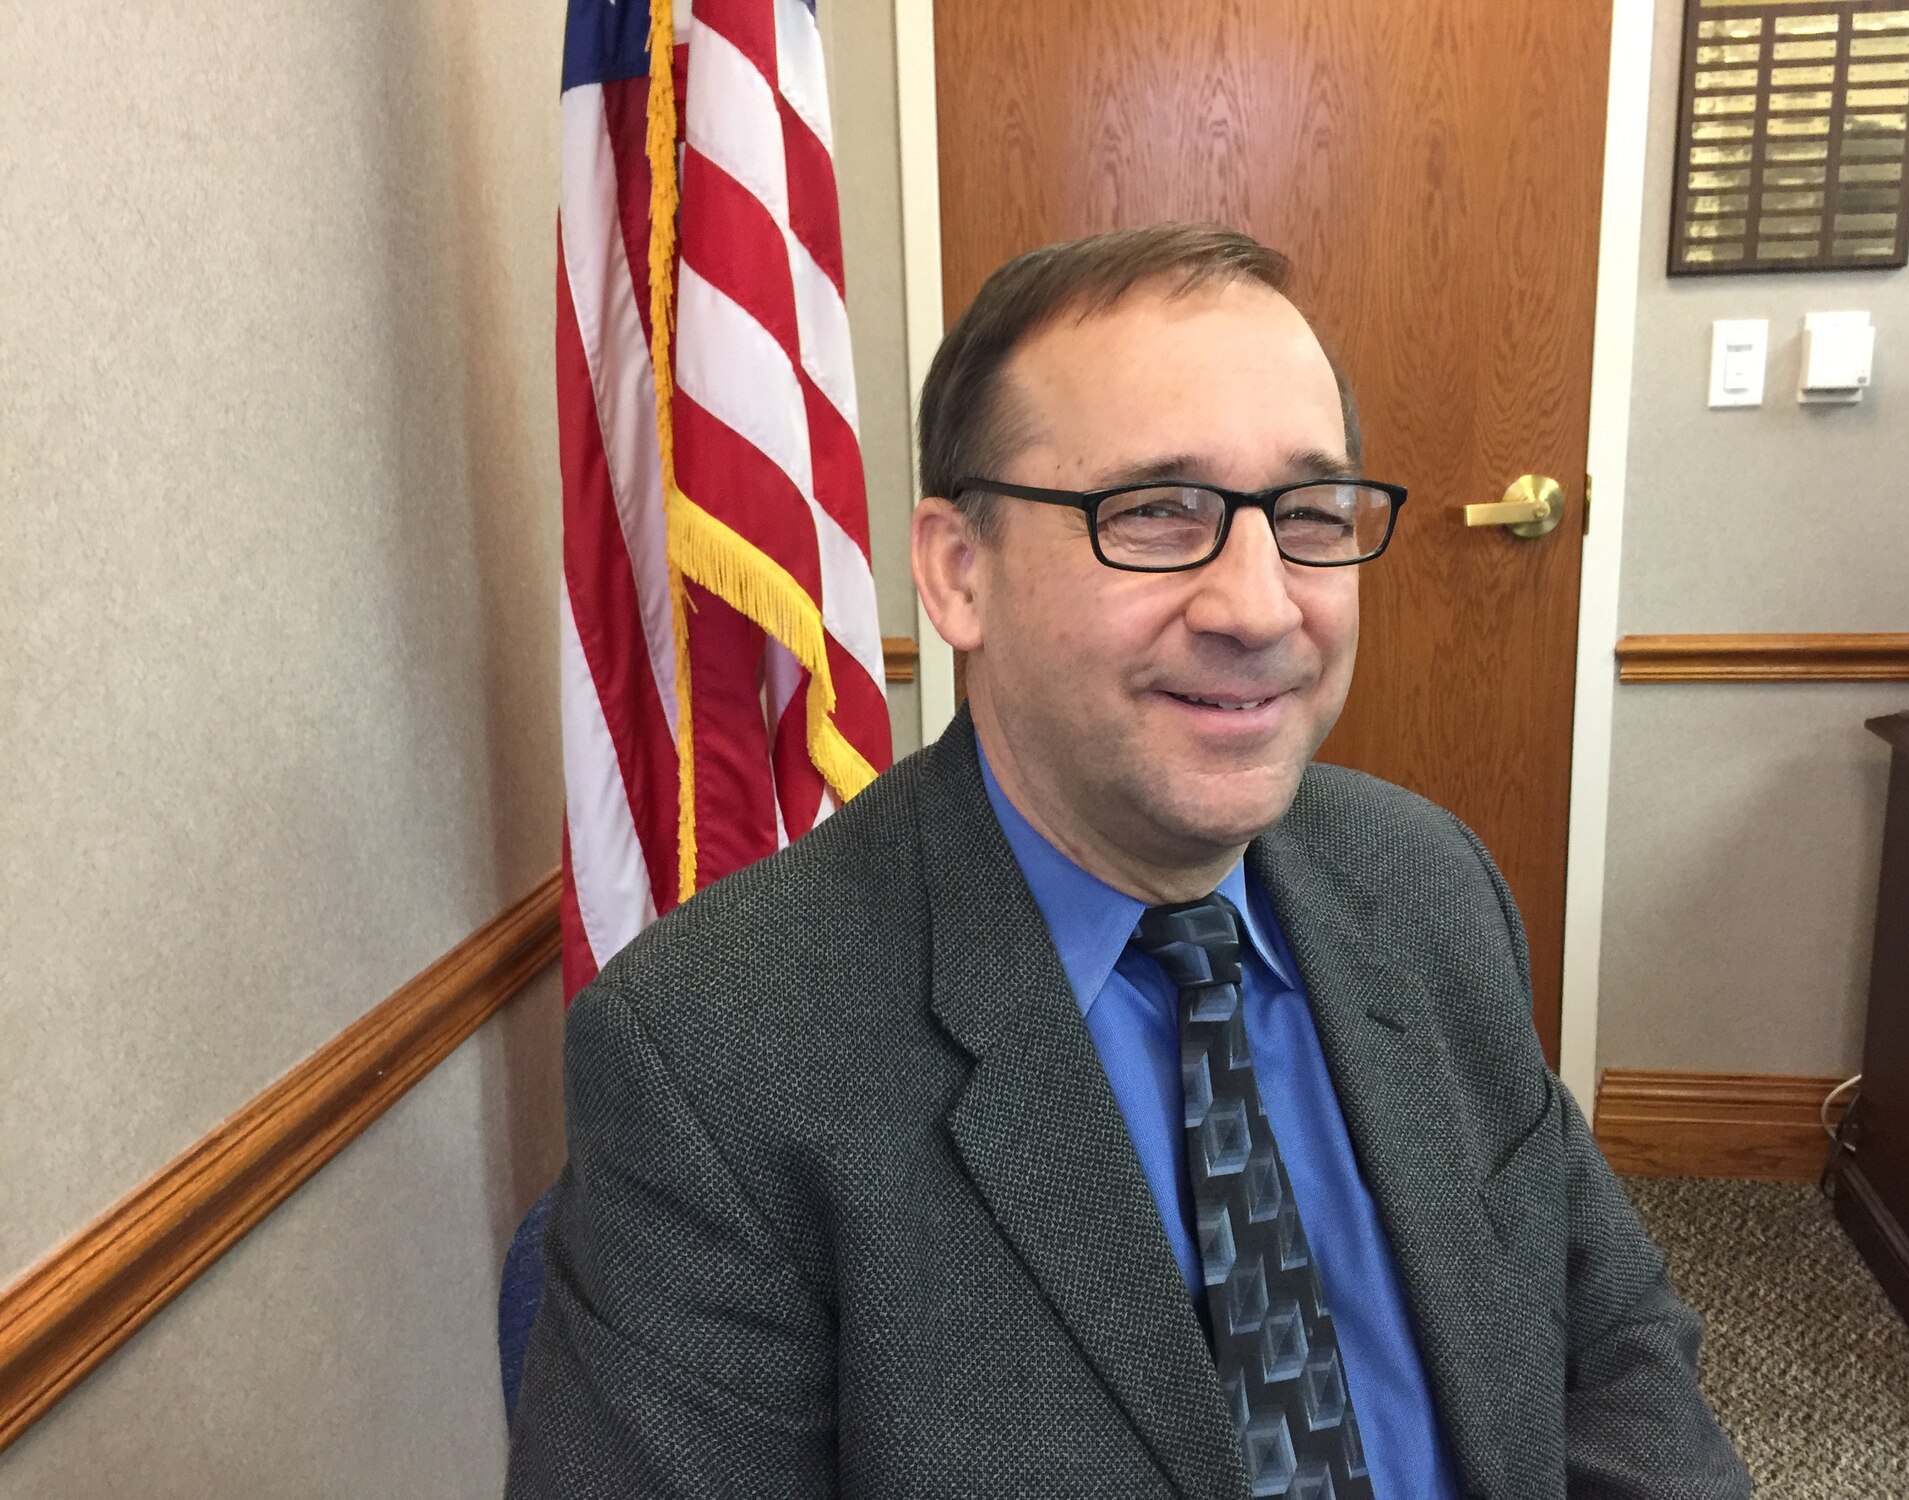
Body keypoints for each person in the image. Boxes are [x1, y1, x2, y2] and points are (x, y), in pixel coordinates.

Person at [506, 224, 1750, 1500]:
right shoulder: (717, 1061)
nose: (1262, 607)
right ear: (957, 571)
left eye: (1309, 514)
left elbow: (1608, 1346)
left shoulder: (1426, 882)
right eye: (1156, 514)